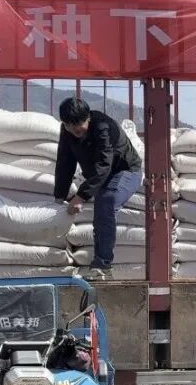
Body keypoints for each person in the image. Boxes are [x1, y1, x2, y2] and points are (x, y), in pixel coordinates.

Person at [53, 97, 143, 281]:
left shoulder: (103, 127)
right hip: (100, 174)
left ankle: (103, 265)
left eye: (78, 125)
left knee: (106, 201)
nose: (74, 130)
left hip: (125, 170)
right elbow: (65, 162)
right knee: (98, 200)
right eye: (69, 126)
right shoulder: (67, 131)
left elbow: (104, 165)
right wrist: (59, 197)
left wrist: (81, 196)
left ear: (88, 118)